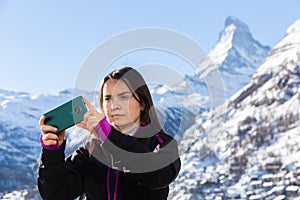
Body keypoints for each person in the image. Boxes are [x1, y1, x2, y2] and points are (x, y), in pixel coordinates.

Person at [37, 67, 181, 200]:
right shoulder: (92, 149)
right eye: (108, 98)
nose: (114, 106)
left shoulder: (162, 143)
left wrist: (108, 136)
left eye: (124, 97)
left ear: (142, 103)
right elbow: (55, 193)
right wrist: (52, 152)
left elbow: (159, 176)